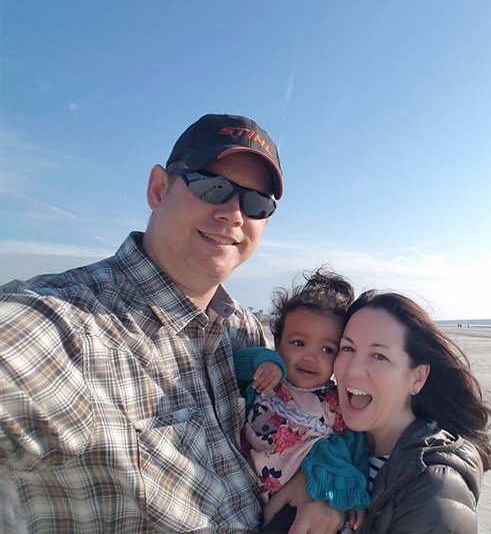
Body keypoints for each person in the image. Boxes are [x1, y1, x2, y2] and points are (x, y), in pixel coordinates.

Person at [0, 114, 287, 532]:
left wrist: (320, 492)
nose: (234, 214)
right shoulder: (67, 328)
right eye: (213, 186)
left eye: (257, 202)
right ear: (158, 189)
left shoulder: (247, 332)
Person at [267, 290, 491, 533]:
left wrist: (341, 522)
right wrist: (318, 478)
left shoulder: (434, 490)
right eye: (347, 348)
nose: (354, 370)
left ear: (417, 377)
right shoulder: (334, 443)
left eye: (379, 356)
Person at [231, 268, 370, 529]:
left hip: (301, 507)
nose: (311, 357)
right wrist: (264, 360)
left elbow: (356, 451)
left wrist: (356, 499)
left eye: (327, 349)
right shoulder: (267, 382)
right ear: (278, 343)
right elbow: (231, 366)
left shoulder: (336, 402)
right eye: (298, 343)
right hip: (245, 499)